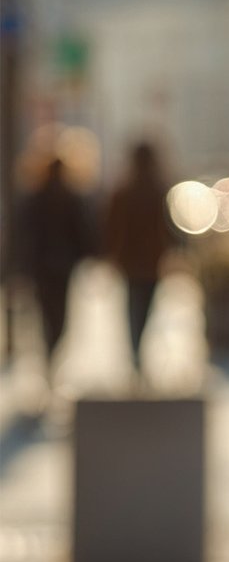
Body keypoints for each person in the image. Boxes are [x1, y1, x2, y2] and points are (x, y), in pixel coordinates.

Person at [16, 155, 95, 393]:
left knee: (46, 314)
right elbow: (83, 232)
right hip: (60, 267)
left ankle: (50, 357)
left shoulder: (40, 197)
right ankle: (52, 356)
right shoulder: (67, 197)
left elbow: (25, 234)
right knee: (58, 316)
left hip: (43, 267)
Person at [103, 140, 176, 387]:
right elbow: (168, 230)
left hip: (130, 262)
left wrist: (112, 256)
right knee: (145, 308)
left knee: (133, 308)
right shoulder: (158, 190)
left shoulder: (124, 191)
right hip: (150, 262)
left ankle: (136, 354)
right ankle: (138, 355)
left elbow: (112, 228)